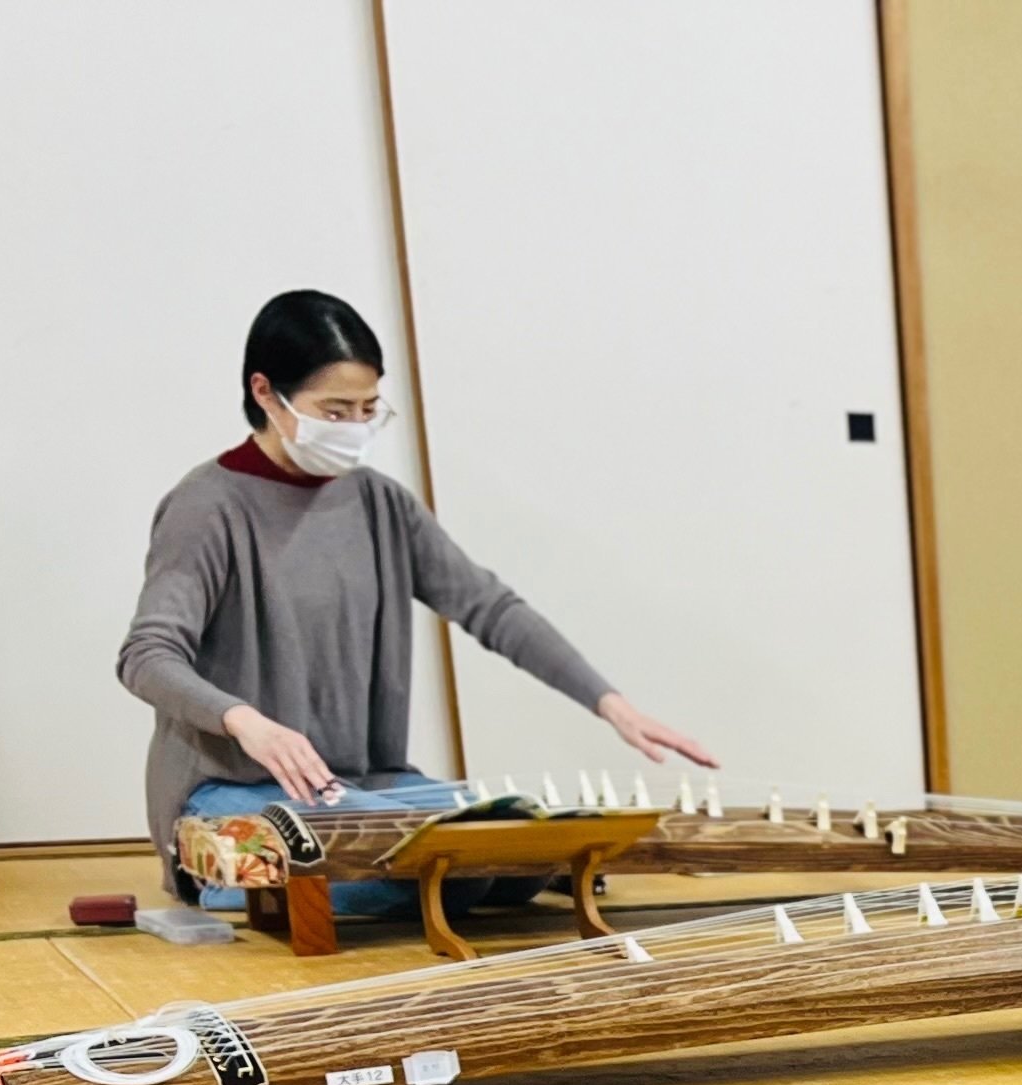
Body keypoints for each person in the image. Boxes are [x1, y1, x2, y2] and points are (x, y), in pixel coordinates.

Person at [119, 290, 713, 900]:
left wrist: (612, 705)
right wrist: (245, 723)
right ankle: (234, 876)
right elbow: (147, 655)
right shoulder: (207, 506)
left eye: (368, 409)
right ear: (267, 393)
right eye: (334, 410)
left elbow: (490, 606)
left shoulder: (379, 503)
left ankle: (482, 875)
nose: (353, 429)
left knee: (518, 840)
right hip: (234, 790)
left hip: (366, 787)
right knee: (378, 870)